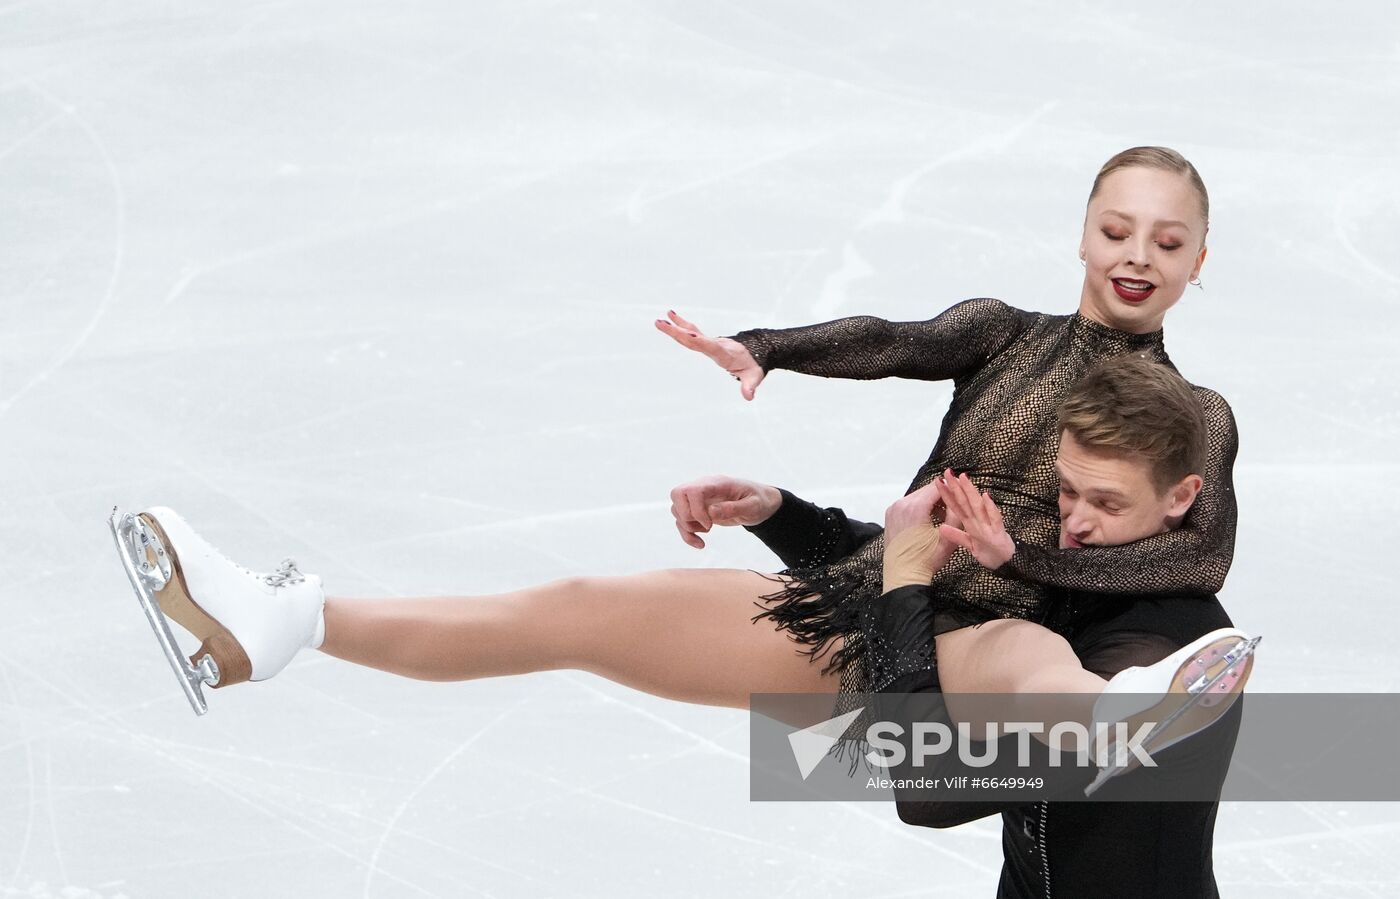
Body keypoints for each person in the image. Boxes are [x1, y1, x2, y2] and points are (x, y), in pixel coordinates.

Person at [111, 147, 1237, 746]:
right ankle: (287, 623)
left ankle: (1114, 718)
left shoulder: (1188, 417)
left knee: (1028, 666)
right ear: (1080, 231)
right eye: (1113, 227)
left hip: (992, 636)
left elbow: (1190, 562)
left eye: (1164, 239)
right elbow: (894, 338)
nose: (1134, 253)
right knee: (585, 606)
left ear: (1195, 262)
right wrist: (763, 356)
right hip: (863, 605)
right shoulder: (1002, 333)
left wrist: (1020, 557)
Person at [863, 356, 1252, 899]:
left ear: (1181, 497)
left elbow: (929, 790)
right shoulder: (1066, 579)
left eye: (1107, 502)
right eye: (1068, 489)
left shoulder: (1158, 650)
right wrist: (782, 512)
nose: (1075, 522)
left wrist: (904, 579)